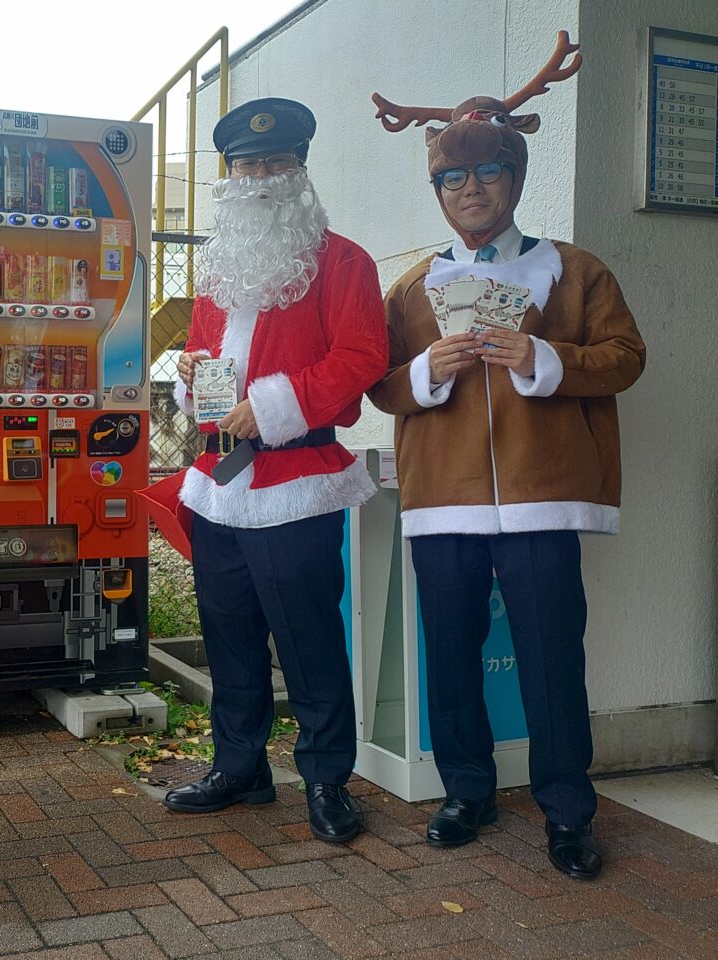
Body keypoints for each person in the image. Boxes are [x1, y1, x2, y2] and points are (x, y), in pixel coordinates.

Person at [368, 31, 645, 880]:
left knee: (553, 657)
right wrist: (427, 369)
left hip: (543, 495)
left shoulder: (576, 271)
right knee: (449, 653)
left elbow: (626, 358)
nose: (470, 189)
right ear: (438, 191)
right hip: (443, 497)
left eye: (488, 171)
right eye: (452, 178)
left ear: (515, 179)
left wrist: (544, 358)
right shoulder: (411, 289)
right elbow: (381, 386)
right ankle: (467, 792)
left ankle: (568, 811)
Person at [146, 98, 387, 842]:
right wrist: (191, 375)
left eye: (273, 163)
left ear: (299, 170)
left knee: (309, 640)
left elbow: (361, 358)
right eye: (245, 166)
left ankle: (326, 778)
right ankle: (240, 766)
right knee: (229, 636)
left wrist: (274, 404)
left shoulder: (342, 261)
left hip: (297, 479)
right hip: (222, 483)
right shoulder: (220, 272)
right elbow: (205, 360)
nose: (257, 178)